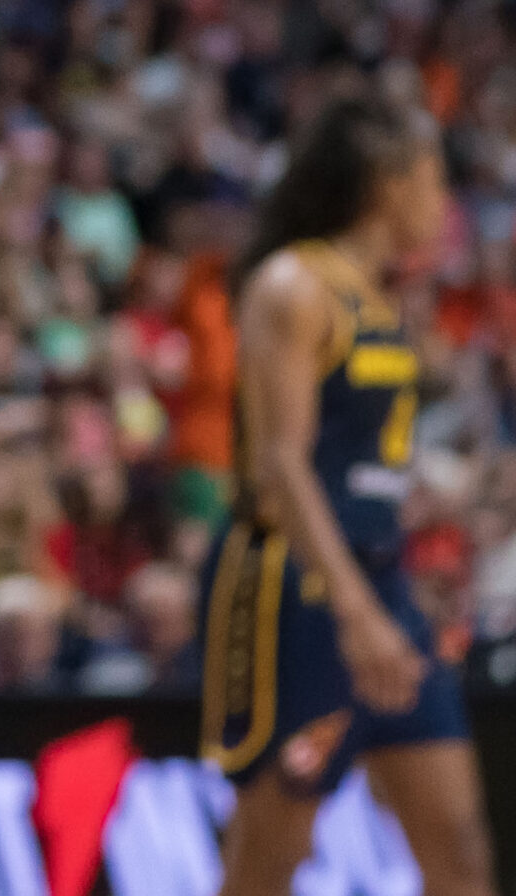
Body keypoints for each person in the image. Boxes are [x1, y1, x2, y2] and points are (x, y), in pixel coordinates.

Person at [202, 94, 496, 896]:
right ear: (387, 183)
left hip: (379, 580)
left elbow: (360, 463)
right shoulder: (294, 284)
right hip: (294, 591)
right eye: (433, 179)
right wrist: (354, 611)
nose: (444, 202)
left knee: (461, 849)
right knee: (272, 853)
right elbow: (282, 465)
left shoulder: (379, 295)